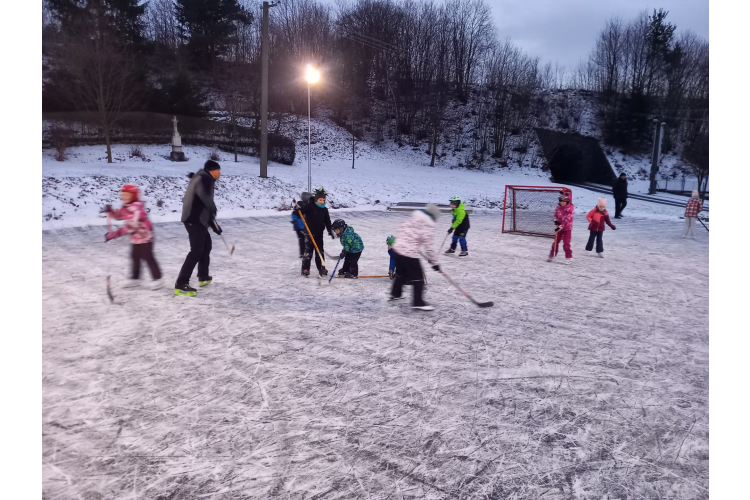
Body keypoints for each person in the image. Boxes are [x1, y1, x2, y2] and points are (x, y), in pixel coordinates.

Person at [174, 160, 222, 296]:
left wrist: (212, 223)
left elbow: (201, 202)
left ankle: (203, 276)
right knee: (196, 251)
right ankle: (181, 283)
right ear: (213, 170)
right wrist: (213, 211)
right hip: (194, 220)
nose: (220, 173)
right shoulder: (205, 178)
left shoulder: (201, 177)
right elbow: (205, 199)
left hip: (197, 219)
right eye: (218, 170)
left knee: (206, 246)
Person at [105, 184, 163, 290]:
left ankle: (158, 279)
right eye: (123, 195)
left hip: (145, 236)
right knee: (135, 256)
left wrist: (112, 235)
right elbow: (119, 215)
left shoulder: (137, 208)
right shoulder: (127, 207)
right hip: (135, 238)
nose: (124, 198)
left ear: (134, 196)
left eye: (127, 195)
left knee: (147, 256)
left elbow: (129, 227)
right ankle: (135, 279)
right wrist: (111, 212)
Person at [390, 203, 442, 311]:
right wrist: (435, 263)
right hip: (409, 254)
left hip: (397, 250)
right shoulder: (428, 226)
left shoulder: (412, 219)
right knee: (418, 278)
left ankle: (395, 293)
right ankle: (418, 302)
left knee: (401, 273)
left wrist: (407, 243)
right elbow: (429, 248)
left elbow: (401, 231)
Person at [300, 187, 334, 277]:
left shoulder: (324, 210)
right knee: (308, 252)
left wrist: (330, 230)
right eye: (320, 199)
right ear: (316, 199)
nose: (322, 201)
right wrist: (298, 209)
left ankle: (321, 268)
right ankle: (305, 269)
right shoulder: (310, 206)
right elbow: (300, 211)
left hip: (319, 234)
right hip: (309, 233)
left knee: (320, 252)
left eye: (323, 200)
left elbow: (327, 221)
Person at [548, 193, 575, 264]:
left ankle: (569, 257)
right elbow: (555, 216)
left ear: (567, 201)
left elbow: (568, 218)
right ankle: (552, 254)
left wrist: (561, 226)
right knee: (555, 242)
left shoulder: (570, 208)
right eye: (561, 201)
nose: (562, 203)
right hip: (560, 227)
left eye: (564, 201)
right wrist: (556, 223)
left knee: (566, 244)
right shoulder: (557, 208)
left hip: (567, 228)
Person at [291, 192, 312, 258]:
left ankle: (308, 252)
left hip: (306, 225)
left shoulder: (309, 205)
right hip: (300, 226)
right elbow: (294, 215)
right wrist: (298, 225)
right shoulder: (298, 205)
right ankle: (302, 253)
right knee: (302, 239)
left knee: (309, 239)